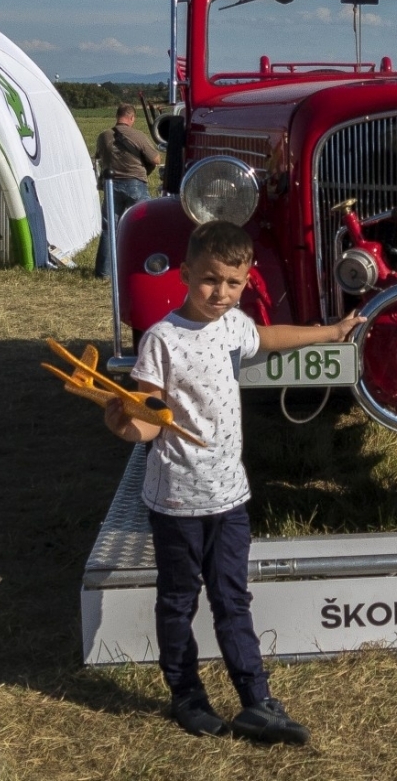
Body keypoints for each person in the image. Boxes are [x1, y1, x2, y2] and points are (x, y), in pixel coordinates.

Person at [108, 220, 361, 744]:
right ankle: (187, 695)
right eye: (209, 280)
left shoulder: (233, 326)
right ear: (184, 274)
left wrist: (330, 332)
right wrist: (124, 421)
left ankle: (256, 700)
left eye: (233, 283)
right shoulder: (162, 339)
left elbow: (269, 337)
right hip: (177, 499)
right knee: (179, 599)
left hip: (230, 498)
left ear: (245, 282)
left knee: (232, 598)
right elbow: (148, 417)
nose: (220, 293)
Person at [94, 104, 163, 279]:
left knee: (109, 229)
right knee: (141, 226)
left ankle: (104, 272)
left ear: (117, 116)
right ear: (131, 118)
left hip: (111, 186)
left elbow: (99, 156)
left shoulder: (103, 136)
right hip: (135, 185)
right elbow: (156, 159)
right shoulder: (137, 135)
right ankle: (142, 268)